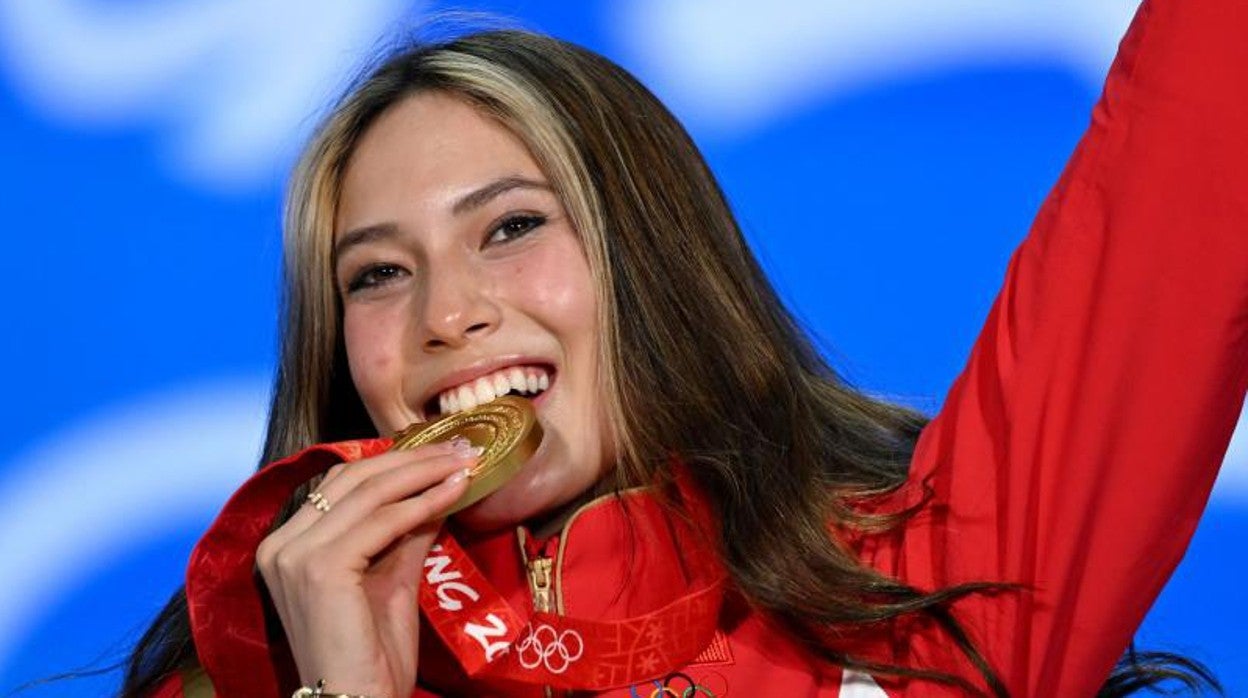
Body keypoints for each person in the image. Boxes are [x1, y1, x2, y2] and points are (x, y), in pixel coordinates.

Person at [120, 0, 1248, 695]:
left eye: (512, 226)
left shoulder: (923, 598)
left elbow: (1193, 147)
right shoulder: (244, 676)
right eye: (377, 272)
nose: (444, 314)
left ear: (652, 258)